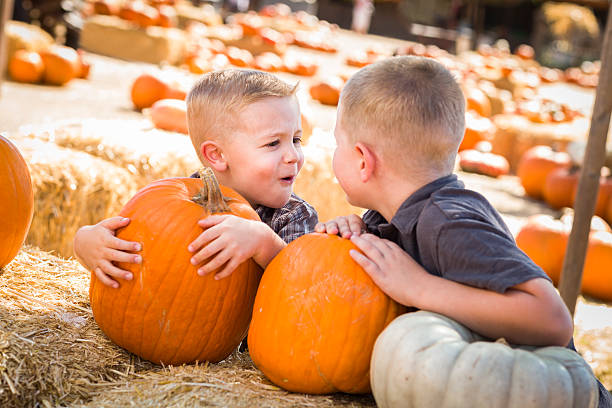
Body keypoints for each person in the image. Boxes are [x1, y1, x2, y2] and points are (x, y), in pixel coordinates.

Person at [315, 56, 611, 406]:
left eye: (338, 143)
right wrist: (348, 237)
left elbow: (552, 320)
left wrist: (420, 288)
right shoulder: (389, 215)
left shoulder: (451, 222)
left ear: (363, 161)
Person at [74, 69, 317, 288]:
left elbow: (304, 287)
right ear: (217, 155)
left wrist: (264, 243)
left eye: (296, 140)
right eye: (273, 143)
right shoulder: (177, 199)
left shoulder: (294, 216)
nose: (293, 155)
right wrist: (86, 242)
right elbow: (129, 245)